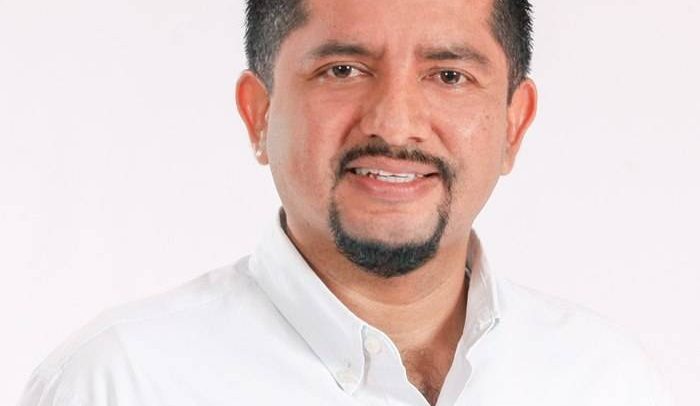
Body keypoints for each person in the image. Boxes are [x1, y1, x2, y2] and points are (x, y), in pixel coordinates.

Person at [20, 0, 670, 405]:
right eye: (343, 70)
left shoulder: (609, 382)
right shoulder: (118, 385)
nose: (395, 122)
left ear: (514, 125)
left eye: (449, 75)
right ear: (259, 113)